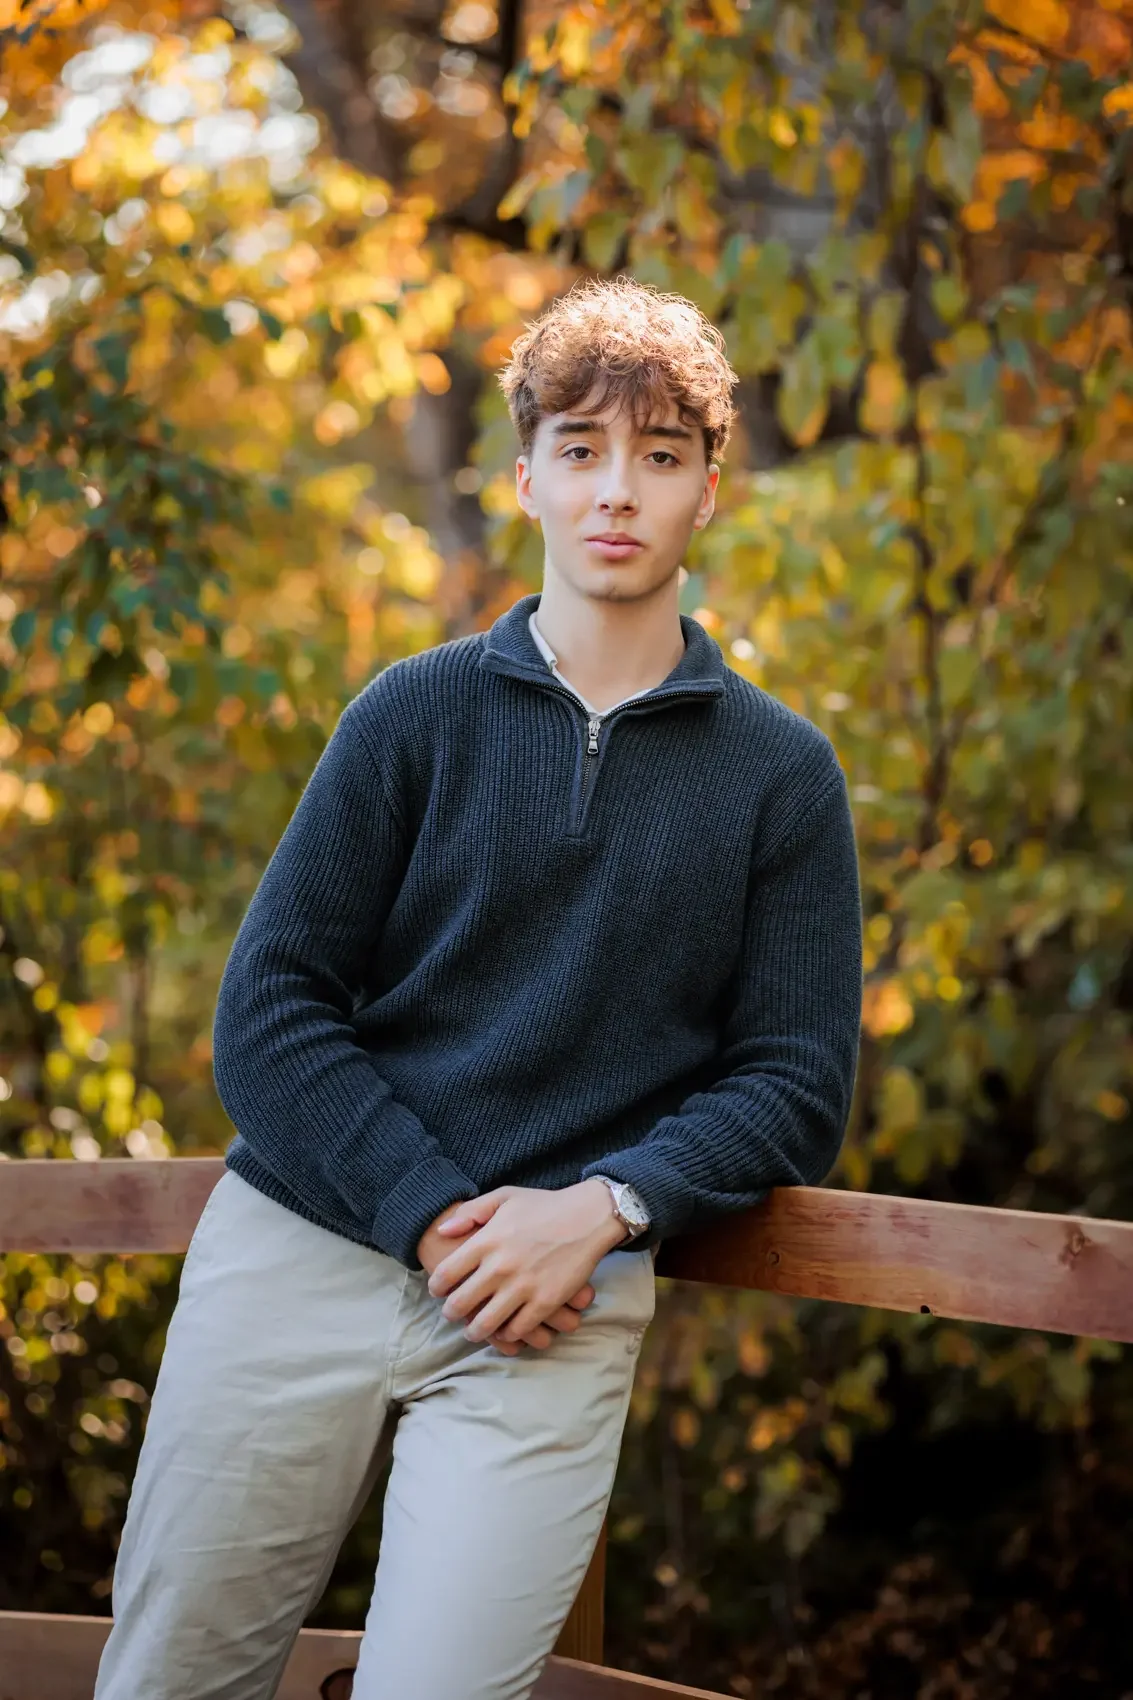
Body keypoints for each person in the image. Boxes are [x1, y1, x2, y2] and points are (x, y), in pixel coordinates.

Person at [92, 274, 863, 1700]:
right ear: (526, 482)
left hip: (554, 1306)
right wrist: (436, 1214)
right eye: (580, 451)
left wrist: (608, 1208)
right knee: (173, 1681)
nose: (615, 489)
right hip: (304, 1256)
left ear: (710, 493)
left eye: (659, 455)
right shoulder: (411, 713)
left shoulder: (782, 775)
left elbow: (796, 1080)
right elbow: (267, 1010)